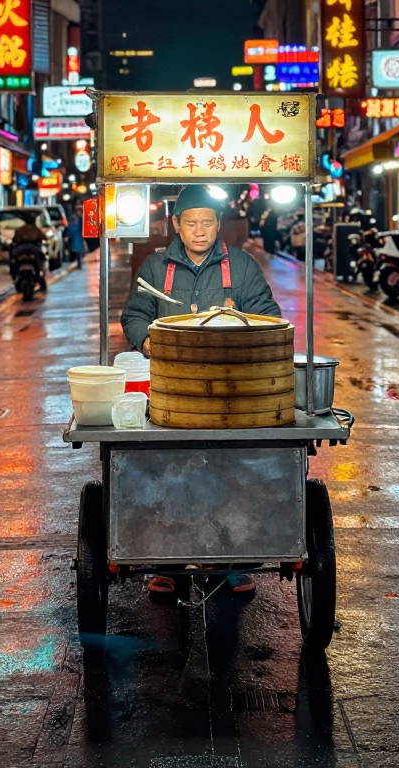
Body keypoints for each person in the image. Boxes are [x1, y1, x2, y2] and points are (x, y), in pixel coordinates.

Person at [120, 184, 282, 597]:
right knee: (167, 469)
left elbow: (268, 315)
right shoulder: (155, 269)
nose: (198, 231)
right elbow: (135, 314)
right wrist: (147, 342)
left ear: (217, 225)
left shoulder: (241, 266)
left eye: (206, 223)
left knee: (230, 469)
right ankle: (168, 562)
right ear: (176, 224)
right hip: (171, 391)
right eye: (190, 223)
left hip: (231, 390)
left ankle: (230, 562)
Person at [11, 218, 47, 290]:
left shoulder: (20, 230)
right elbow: (44, 237)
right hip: (31, 252)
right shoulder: (36, 230)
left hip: (22, 252)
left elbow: (14, 240)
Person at [67, 203, 84, 270]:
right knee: (77, 252)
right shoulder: (75, 219)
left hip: (78, 237)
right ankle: (79, 263)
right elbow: (70, 228)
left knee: (78, 252)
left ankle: (79, 263)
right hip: (76, 238)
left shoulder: (80, 219)